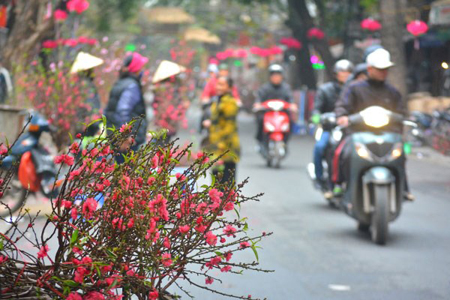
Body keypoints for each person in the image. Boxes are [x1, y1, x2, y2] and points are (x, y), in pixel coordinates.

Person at [334, 48, 413, 200]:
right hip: (358, 134)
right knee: (343, 153)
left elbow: (402, 112)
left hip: (387, 134)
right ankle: (340, 184)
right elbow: (342, 106)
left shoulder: (392, 91)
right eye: (379, 69)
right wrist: (342, 117)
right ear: (369, 69)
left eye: (385, 69)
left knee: (400, 155)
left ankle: (403, 188)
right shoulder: (355, 88)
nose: (383, 72)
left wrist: (404, 120)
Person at [312, 60, 354, 191]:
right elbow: (316, 109)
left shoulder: (355, 89)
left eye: (348, 72)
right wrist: (318, 117)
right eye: (342, 72)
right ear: (336, 74)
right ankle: (319, 178)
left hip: (350, 128)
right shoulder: (325, 90)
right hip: (330, 127)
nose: (345, 75)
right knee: (320, 148)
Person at [104, 52, 149, 158]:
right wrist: (125, 136)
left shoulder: (121, 83)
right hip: (126, 140)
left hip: (117, 136)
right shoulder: (131, 86)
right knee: (126, 171)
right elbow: (123, 111)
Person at [202, 76, 240, 184]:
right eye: (218, 84)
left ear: (229, 87)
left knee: (227, 177)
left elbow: (229, 126)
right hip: (216, 144)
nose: (218, 87)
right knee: (216, 177)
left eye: (222, 85)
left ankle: (225, 200)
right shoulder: (217, 100)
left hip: (226, 146)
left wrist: (221, 144)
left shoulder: (230, 102)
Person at [253, 64, 294, 145]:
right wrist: (258, 104)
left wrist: (292, 105)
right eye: (274, 76)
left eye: (278, 76)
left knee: (290, 120)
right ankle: (260, 138)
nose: (276, 78)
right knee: (261, 119)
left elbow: (290, 99)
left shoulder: (286, 88)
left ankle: (286, 139)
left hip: (282, 112)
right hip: (268, 112)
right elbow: (259, 99)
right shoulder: (265, 88)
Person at [70, 52, 104, 138]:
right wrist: (96, 125)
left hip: (78, 127)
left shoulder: (77, 84)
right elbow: (91, 107)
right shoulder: (86, 86)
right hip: (87, 128)